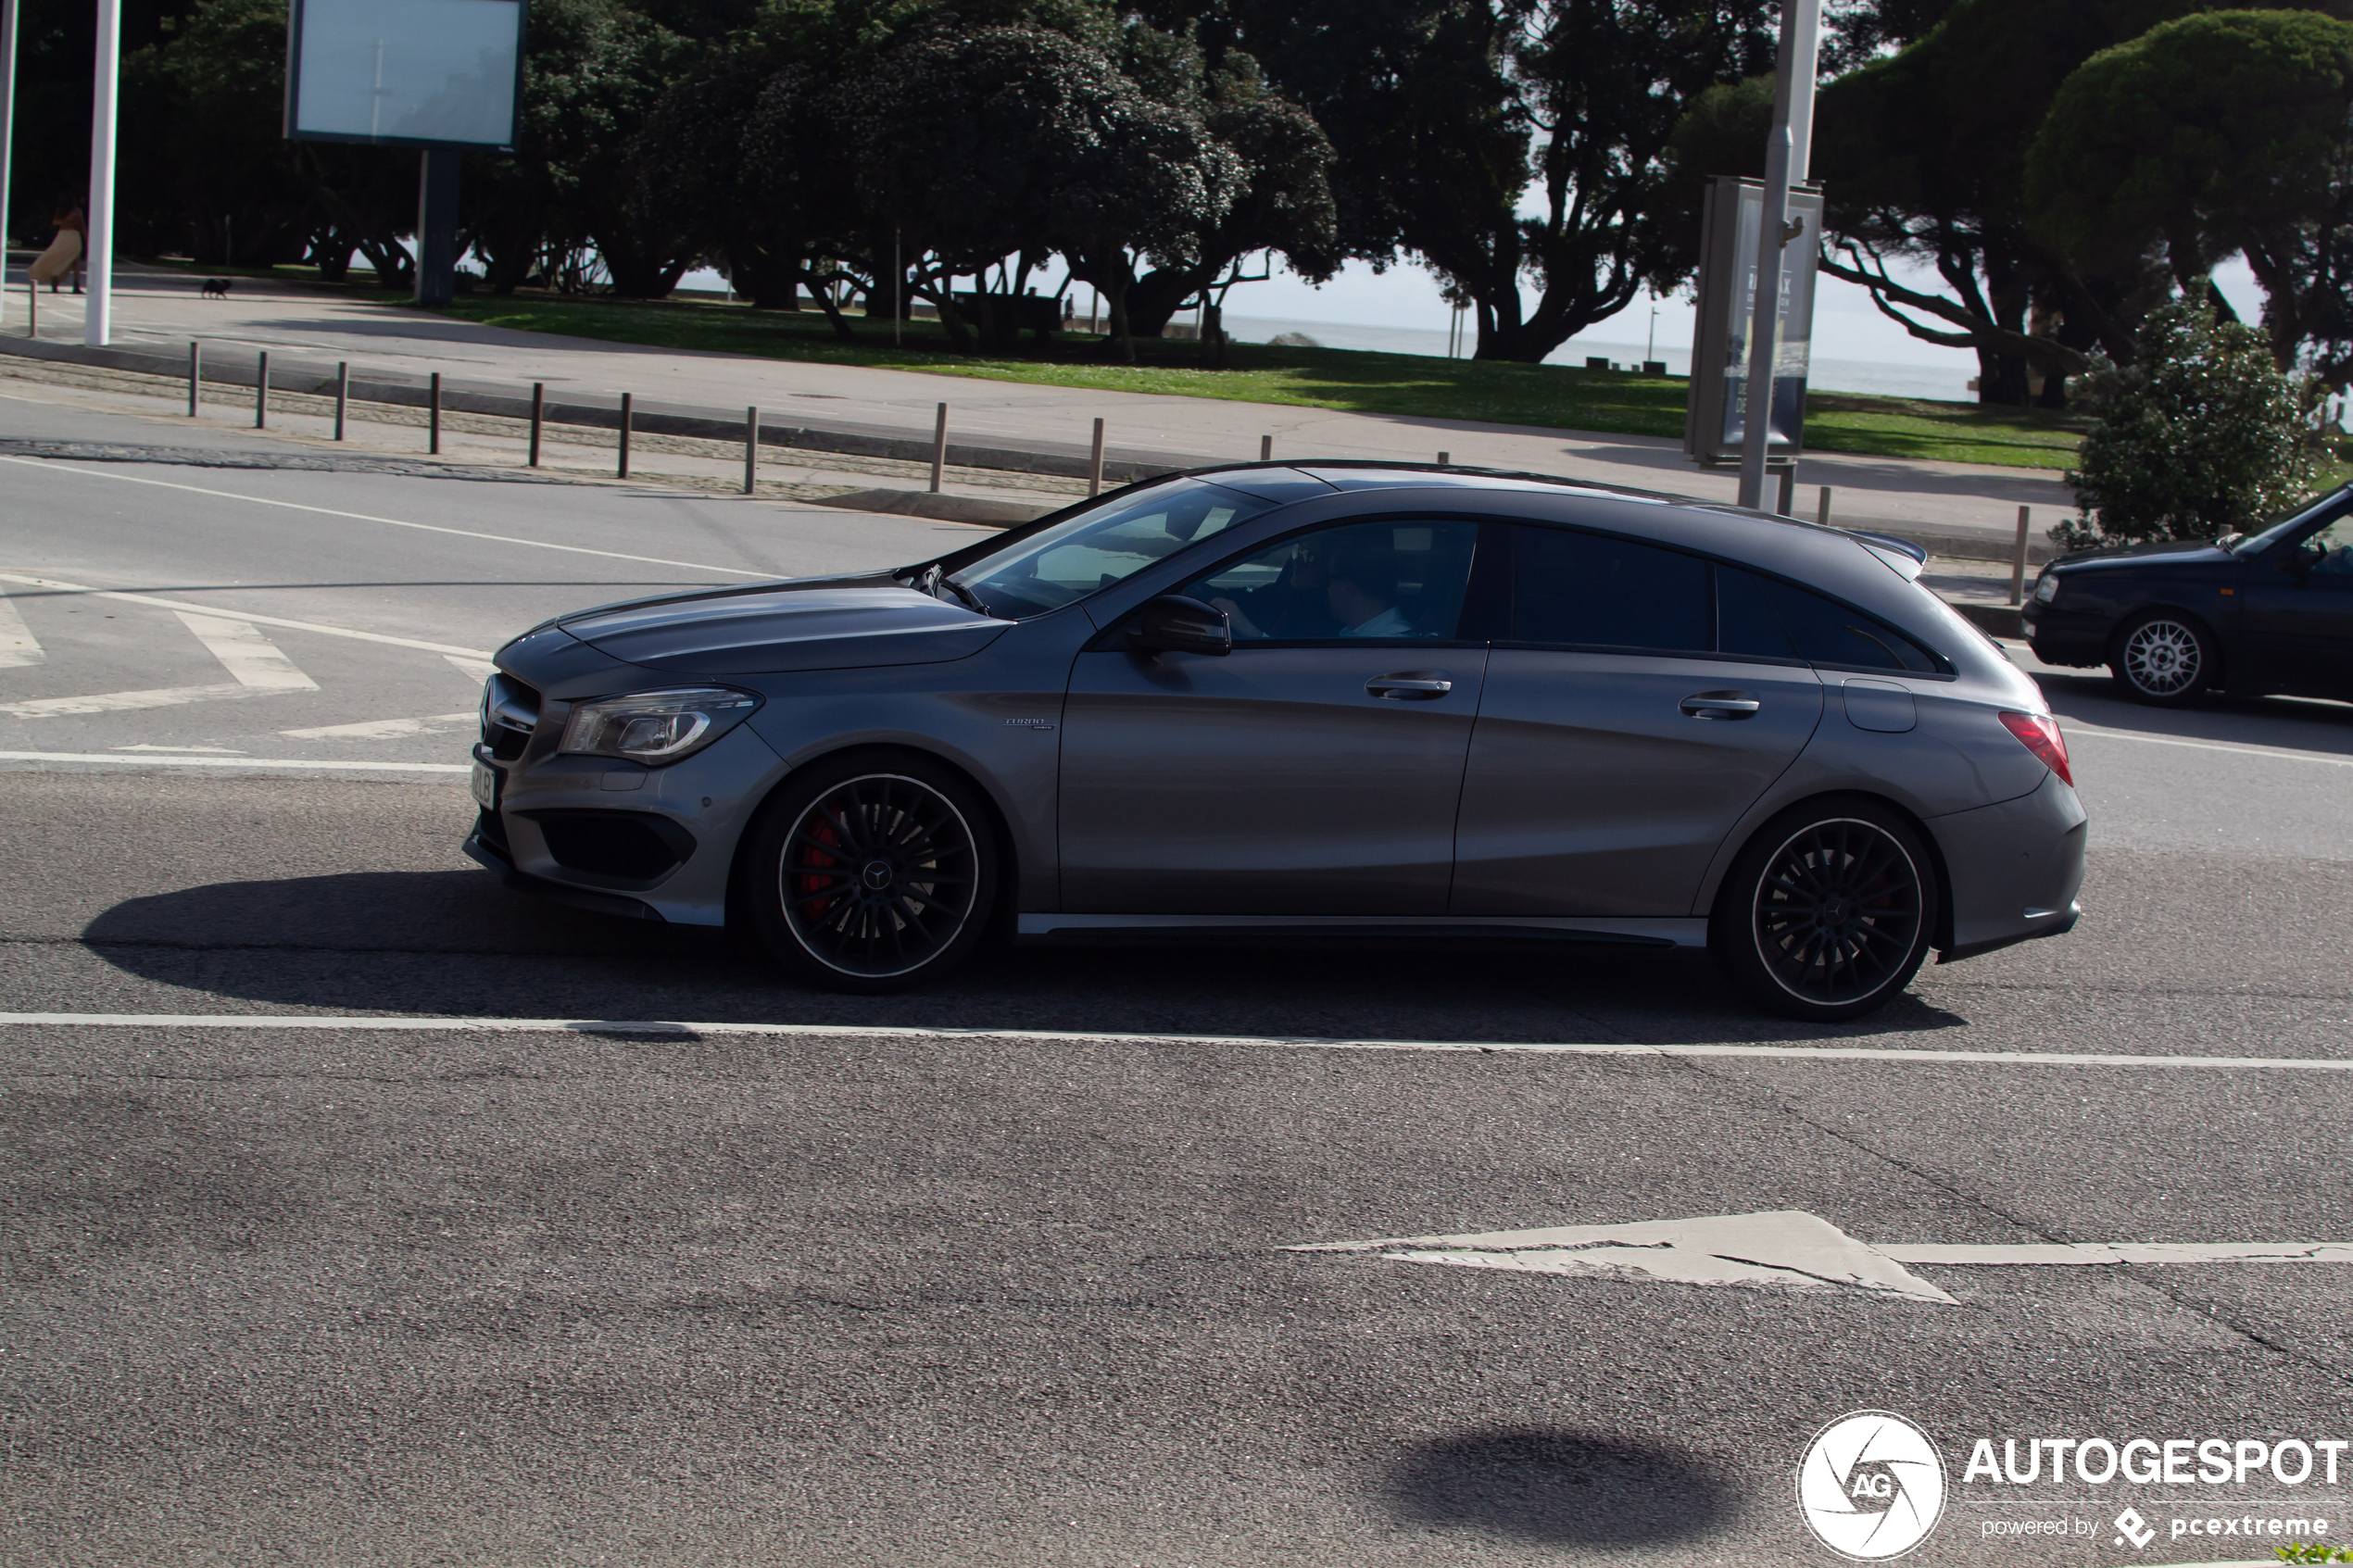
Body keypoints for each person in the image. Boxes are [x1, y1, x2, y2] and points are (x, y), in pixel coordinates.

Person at [29, 200, 85, 295]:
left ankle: (55, 279)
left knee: (58, 257)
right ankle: (76, 285)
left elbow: (56, 222)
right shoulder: (77, 211)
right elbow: (82, 226)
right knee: (75, 262)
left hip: (62, 235)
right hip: (73, 236)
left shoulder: (62, 212)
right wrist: (87, 239)